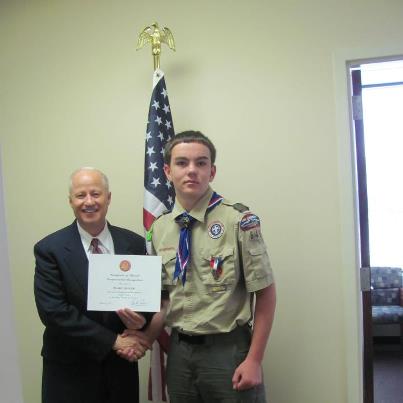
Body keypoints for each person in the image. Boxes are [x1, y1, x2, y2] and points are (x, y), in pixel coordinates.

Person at [139, 131, 276, 402]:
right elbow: (165, 300)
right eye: (182, 163)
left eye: (201, 163)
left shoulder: (239, 220)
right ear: (167, 171)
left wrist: (254, 360)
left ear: (212, 171)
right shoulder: (160, 228)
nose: (192, 170)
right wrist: (143, 338)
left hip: (228, 351)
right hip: (179, 353)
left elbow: (266, 294)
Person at [34, 167, 152, 403]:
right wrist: (114, 341)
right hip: (69, 372)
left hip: (120, 371)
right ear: (70, 201)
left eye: (96, 194)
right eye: (81, 195)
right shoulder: (50, 249)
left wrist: (141, 321)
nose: (89, 201)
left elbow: (147, 300)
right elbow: (54, 312)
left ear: (108, 198)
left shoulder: (135, 244)